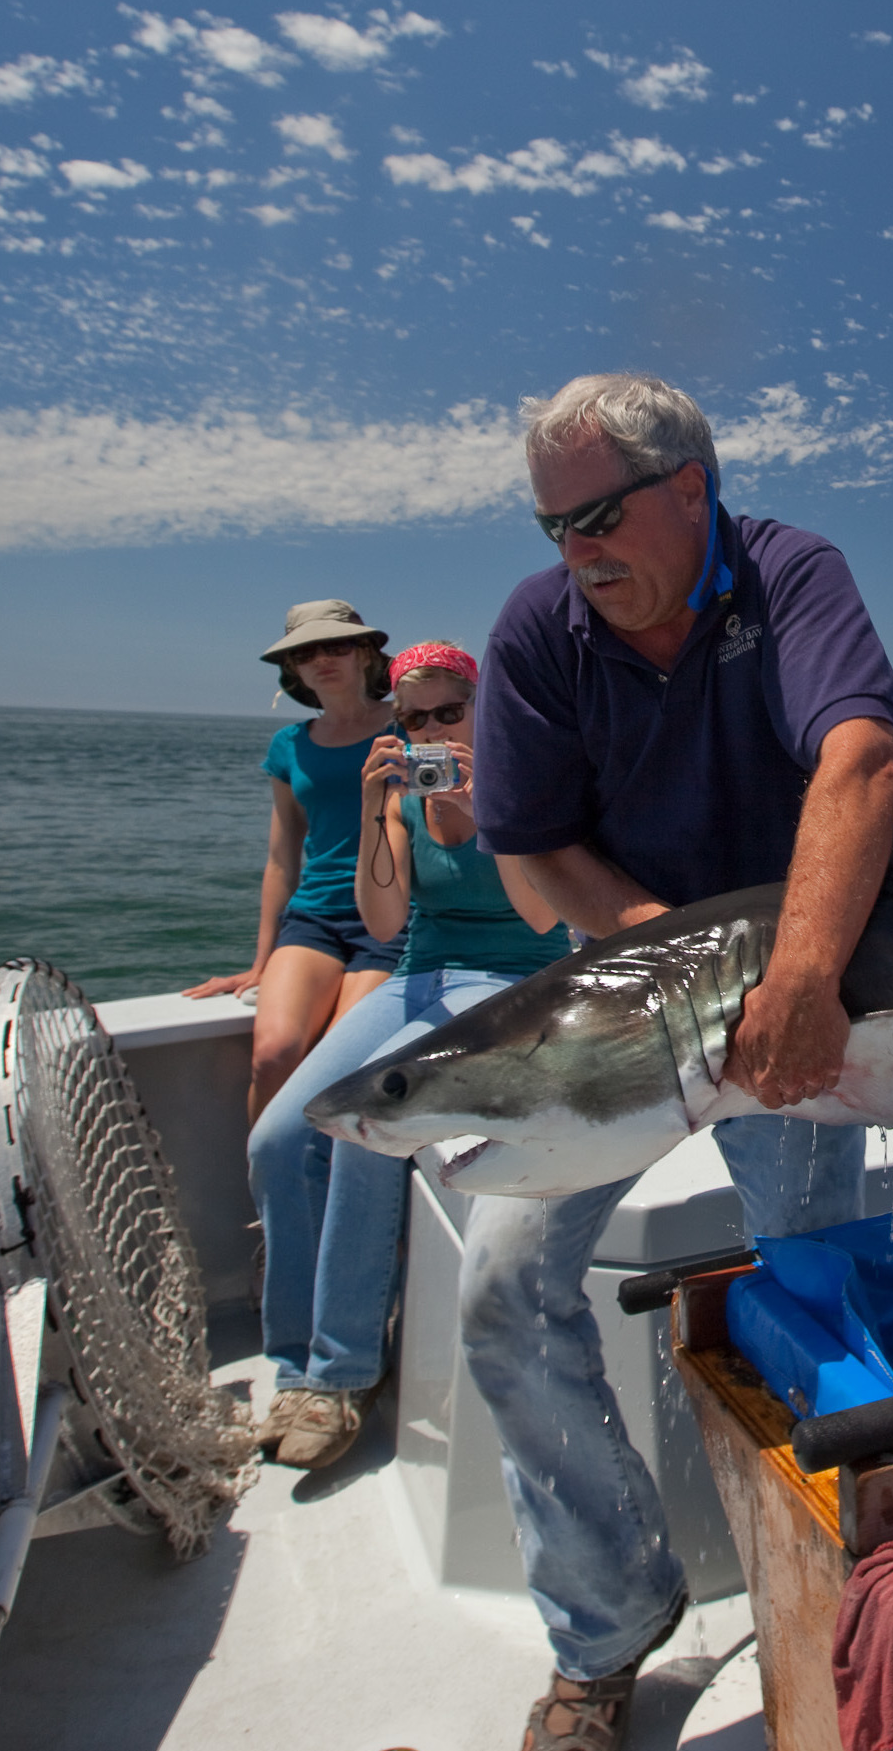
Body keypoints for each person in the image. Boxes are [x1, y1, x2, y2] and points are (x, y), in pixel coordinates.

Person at [465, 371, 893, 1751]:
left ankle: (844, 1604)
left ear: (689, 485)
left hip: (799, 1000)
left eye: (596, 514)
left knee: (810, 1299)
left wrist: (792, 981)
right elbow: (531, 844)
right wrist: (673, 954)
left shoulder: (790, 576)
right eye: (551, 526)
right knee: (500, 1285)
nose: (573, 551)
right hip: (634, 1002)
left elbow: (861, 763)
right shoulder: (540, 631)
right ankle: (607, 1621)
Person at [243, 641, 568, 1471]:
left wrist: (486, 808)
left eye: (446, 712)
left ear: (480, 708)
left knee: (366, 1130)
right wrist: (369, 813)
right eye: (410, 716)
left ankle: (341, 1374)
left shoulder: (525, 778)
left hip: (510, 981)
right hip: (420, 971)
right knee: (278, 1138)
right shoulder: (398, 797)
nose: (428, 729)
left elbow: (540, 920)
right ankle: (291, 1360)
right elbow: (383, 925)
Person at [187, 600, 405, 1123]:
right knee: (274, 1054)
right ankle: (267, 1192)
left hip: (395, 919)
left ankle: (325, 1188)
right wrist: (262, 960)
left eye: (337, 645)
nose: (322, 659)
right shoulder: (289, 745)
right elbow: (282, 859)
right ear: (293, 668)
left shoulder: (414, 724)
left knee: (337, 1066)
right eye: (306, 652)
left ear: (366, 655)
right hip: (314, 920)